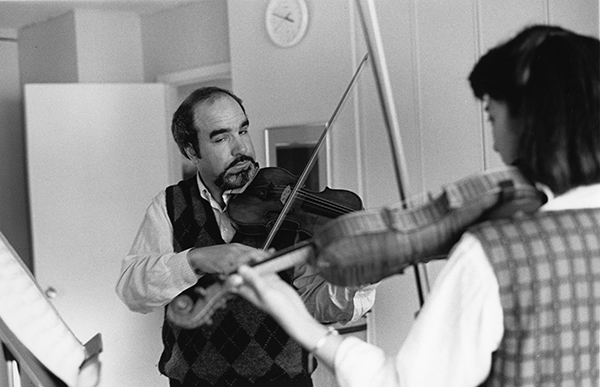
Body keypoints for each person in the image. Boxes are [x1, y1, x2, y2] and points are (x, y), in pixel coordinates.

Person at [230, 25, 600, 387]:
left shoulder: (497, 253)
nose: (498, 146)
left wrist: (302, 323)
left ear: (531, 120)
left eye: (492, 116)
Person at [115, 86, 376, 387]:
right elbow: (132, 291)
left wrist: (361, 273)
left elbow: (318, 306)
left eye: (243, 130)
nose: (241, 149)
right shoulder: (170, 205)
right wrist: (197, 259)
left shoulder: (289, 206)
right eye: (221, 137)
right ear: (191, 151)